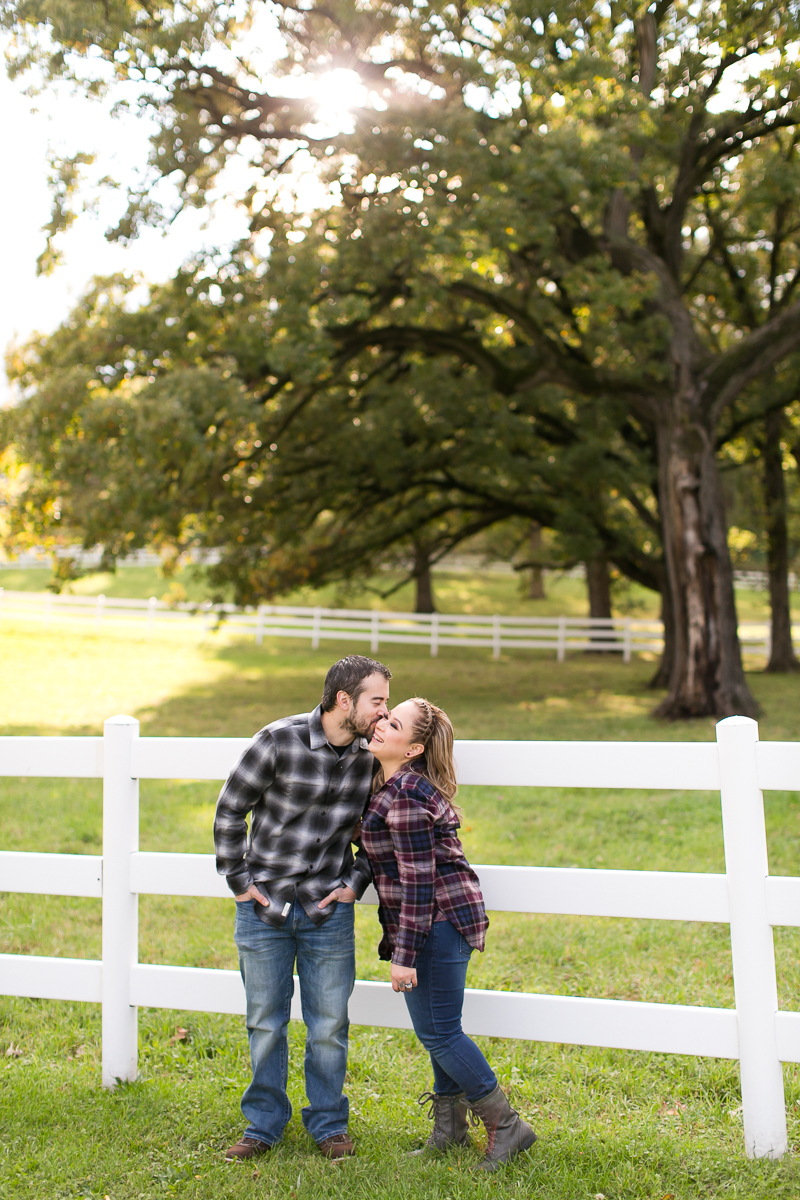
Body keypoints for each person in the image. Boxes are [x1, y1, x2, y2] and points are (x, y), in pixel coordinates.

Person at [213, 654, 391, 1162]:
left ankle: (329, 1124)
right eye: (376, 701)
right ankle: (263, 1125)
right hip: (264, 909)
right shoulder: (277, 740)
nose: (384, 711)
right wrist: (239, 881)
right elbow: (230, 808)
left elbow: (377, 835)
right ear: (344, 700)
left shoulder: (370, 757)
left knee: (329, 1025)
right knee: (266, 1021)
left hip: (326, 912)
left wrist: (355, 884)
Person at [360, 697, 537, 1172]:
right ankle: (451, 1129)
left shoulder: (408, 797)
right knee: (436, 1030)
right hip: (431, 923)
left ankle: (507, 1126)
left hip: (435, 923)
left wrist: (403, 954)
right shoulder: (393, 786)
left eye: (393, 723)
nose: (380, 724)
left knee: (440, 1032)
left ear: (414, 747)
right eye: (384, 716)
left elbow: (418, 883)